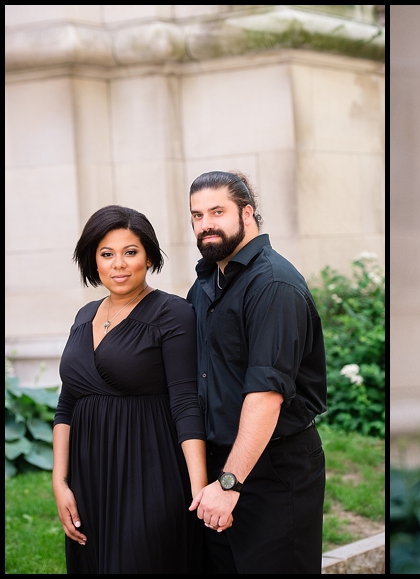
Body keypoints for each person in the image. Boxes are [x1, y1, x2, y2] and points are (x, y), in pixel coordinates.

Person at [184, 170, 328, 573]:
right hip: (220, 471)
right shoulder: (206, 284)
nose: (205, 223)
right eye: (196, 215)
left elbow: (266, 395)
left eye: (217, 211)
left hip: (272, 473)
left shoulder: (273, 284)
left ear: (247, 214)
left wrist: (230, 484)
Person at [53, 205, 208, 573]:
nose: (119, 264)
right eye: (107, 254)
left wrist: (200, 491)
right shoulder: (83, 316)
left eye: (130, 252)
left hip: (149, 473)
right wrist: (60, 483)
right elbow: (67, 404)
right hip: (89, 479)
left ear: (149, 257)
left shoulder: (173, 313)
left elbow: (186, 402)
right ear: (94, 261)